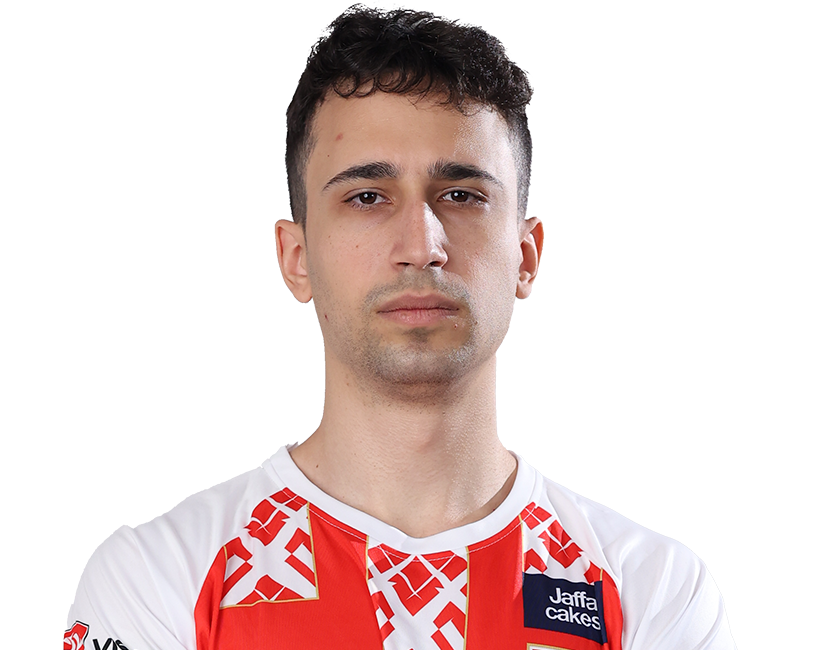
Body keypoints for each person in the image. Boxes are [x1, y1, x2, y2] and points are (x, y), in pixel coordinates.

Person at [65, 5, 735, 649]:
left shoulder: (653, 588)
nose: (421, 245)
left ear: (526, 257)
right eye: (366, 197)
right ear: (296, 260)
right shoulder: (158, 578)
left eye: (462, 195)